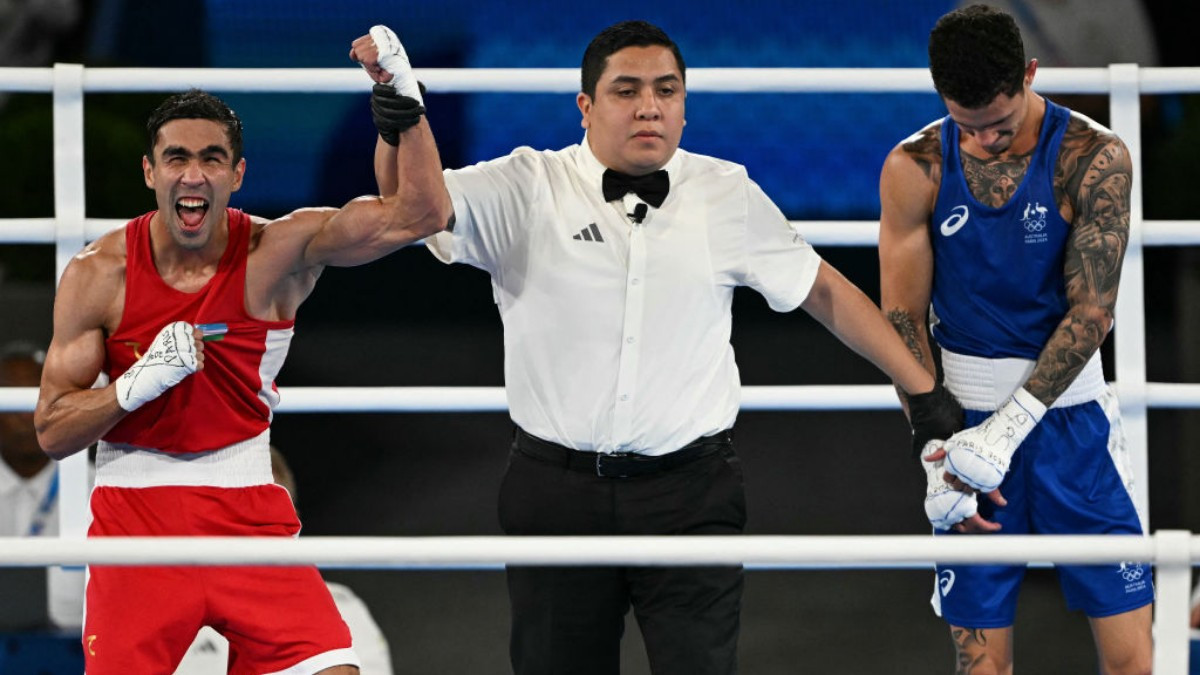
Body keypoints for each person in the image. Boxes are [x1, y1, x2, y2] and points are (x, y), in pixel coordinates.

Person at [352, 20, 960, 675]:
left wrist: (924, 394)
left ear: (685, 105)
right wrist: (399, 113)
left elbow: (825, 293)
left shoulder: (724, 191)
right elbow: (412, 205)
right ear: (585, 106)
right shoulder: (527, 184)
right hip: (556, 494)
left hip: (691, 495)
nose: (650, 105)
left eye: (667, 90)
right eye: (628, 90)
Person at [32, 70, 450, 673]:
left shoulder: (277, 251)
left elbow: (421, 214)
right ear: (150, 172)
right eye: (176, 157)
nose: (193, 174)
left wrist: (403, 116)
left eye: (211, 157)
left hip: (248, 511)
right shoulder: (100, 274)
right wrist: (133, 386)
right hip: (136, 520)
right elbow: (50, 431)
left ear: (238, 173)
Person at [878, 4, 1153, 673]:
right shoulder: (916, 166)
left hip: (1073, 429)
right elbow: (903, 318)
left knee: (1133, 661)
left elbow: (1092, 313)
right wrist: (933, 444)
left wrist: (1010, 428)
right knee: (982, 667)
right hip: (962, 425)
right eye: (968, 127)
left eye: (999, 124)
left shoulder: (1094, 157)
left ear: (1032, 73)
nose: (987, 142)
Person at [175, 446, 394, 675]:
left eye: (265, 511)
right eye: (235, 511)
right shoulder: (165, 602)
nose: (250, 525)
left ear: (292, 520)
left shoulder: (341, 607)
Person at [0, 341, 90, 631]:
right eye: (13, 394)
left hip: (79, 648)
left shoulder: (96, 487)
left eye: (37, 396)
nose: (26, 413)